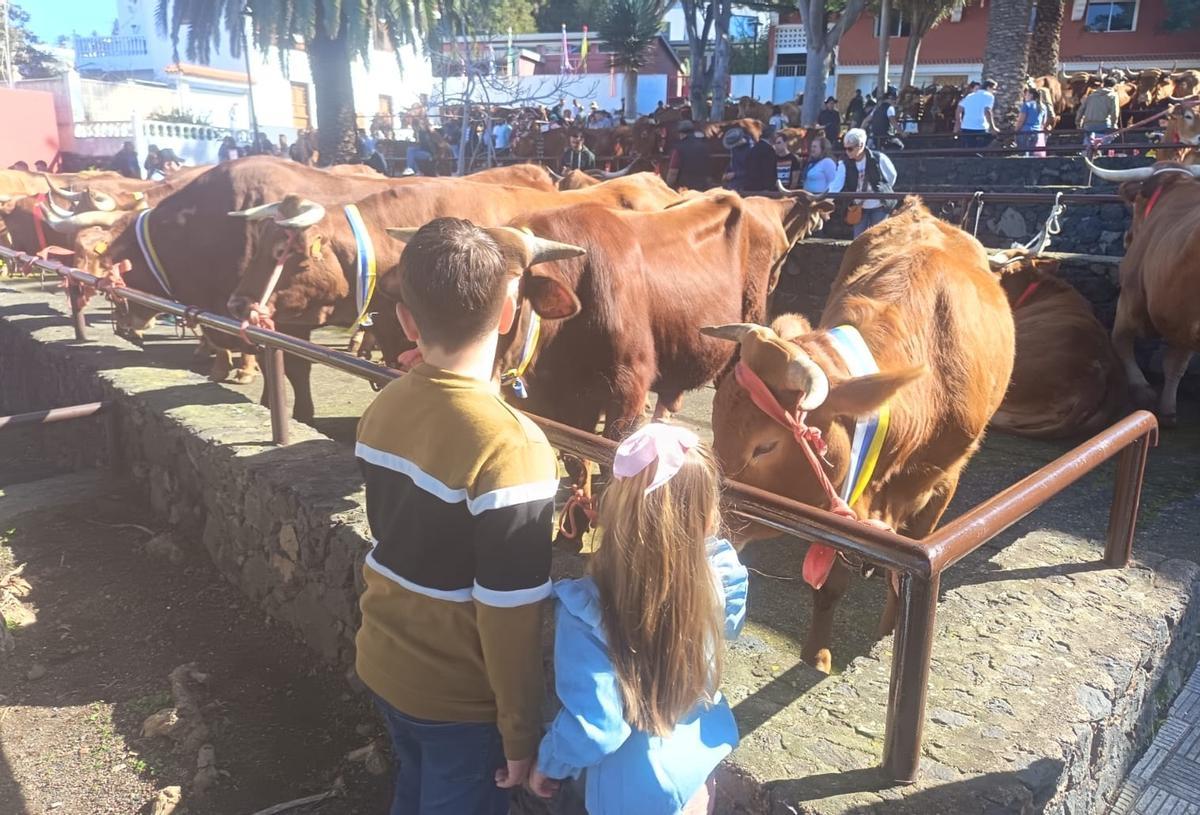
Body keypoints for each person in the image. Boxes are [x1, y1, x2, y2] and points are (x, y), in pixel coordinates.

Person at [356, 218, 557, 815]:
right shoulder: (513, 447)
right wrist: (520, 733)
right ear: (507, 313)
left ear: (407, 321)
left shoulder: (383, 405)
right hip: (460, 700)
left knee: (414, 791)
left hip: (386, 661)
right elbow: (509, 613)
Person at [527, 423, 748, 815]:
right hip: (696, 771)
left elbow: (598, 728)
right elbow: (729, 627)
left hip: (630, 795)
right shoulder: (722, 577)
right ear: (709, 514)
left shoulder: (587, 611)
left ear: (615, 509)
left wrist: (549, 762)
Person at [831, 127, 897, 238]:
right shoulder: (844, 164)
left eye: (850, 149)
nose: (847, 152)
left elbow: (892, 176)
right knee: (858, 239)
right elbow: (836, 185)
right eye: (845, 148)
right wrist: (826, 200)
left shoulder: (879, 158)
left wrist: (883, 190)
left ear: (861, 145)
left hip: (879, 205)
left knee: (877, 238)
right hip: (858, 207)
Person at [666, 120, 709, 190]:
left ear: (681, 133)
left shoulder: (678, 149)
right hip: (703, 187)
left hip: (685, 189)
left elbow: (673, 172)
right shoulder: (704, 146)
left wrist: (668, 186)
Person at [1079, 76, 1120, 145]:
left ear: (1103, 84)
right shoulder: (1113, 96)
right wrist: (1114, 125)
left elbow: (1081, 110)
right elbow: (1114, 113)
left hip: (1088, 126)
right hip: (1103, 125)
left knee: (1088, 146)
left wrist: (1078, 123)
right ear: (1114, 85)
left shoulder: (1091, 95)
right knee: (1103, 146)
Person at [956, 79, 996, 149]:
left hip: (966, 127)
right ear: (988, 88)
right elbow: (987, 111)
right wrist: (992, 127)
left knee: (970, 149)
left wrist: (959, 122)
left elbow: (959, 109)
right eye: (994, 89)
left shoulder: (970, 96)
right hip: (980, 127)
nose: (994, 91)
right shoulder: (989, 96)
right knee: (986, 143)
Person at [1014, 85, 1048, 156]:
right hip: (1037, 132)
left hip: (1025, 132)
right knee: (1032, 154)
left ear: (1031, 95)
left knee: (1023, 153)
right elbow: (1043, 122)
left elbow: (1021, 120)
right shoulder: (1043, 107)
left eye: (1026, 94)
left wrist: (1016, 131)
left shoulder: (1026, 105)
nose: (1025, 96)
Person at [744, 126, 778, 192]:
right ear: (771, 135)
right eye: (775, 134)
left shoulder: (754, 148)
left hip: (751, 186)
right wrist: (768, 187)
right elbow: (768, 170)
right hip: (763, 187)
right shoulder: (768, 150)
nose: (777, 136)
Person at [721, 127, 751, 191]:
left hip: (745, 184)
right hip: (734, 182)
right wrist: (726, 172)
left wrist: (735, 174)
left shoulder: (751, 150)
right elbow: (733, 162)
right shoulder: (735, 148)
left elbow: (751, 170)